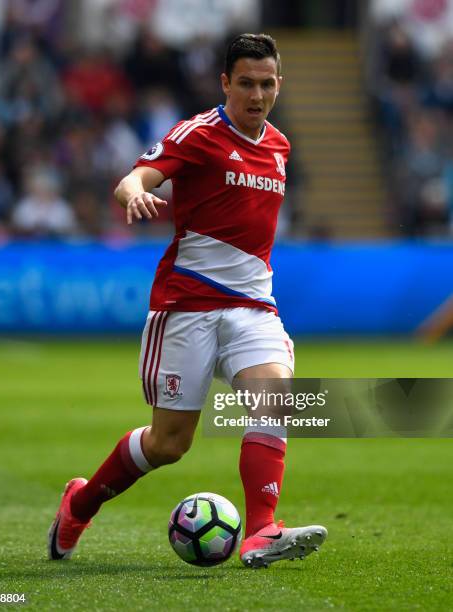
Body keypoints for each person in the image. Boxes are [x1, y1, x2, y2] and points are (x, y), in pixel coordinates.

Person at [48, 33, 327, 568]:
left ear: (279, 85)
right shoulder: (199, 133)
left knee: (276, 399)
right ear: (226, 83)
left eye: (267, 84)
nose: (257, 94)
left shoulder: (279, 146)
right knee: (169, 444)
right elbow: (135, 177)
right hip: (188, 308)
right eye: (246, 83)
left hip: (253, 307)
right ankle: (80, 503)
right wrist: (135, 193)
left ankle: (262, 529)